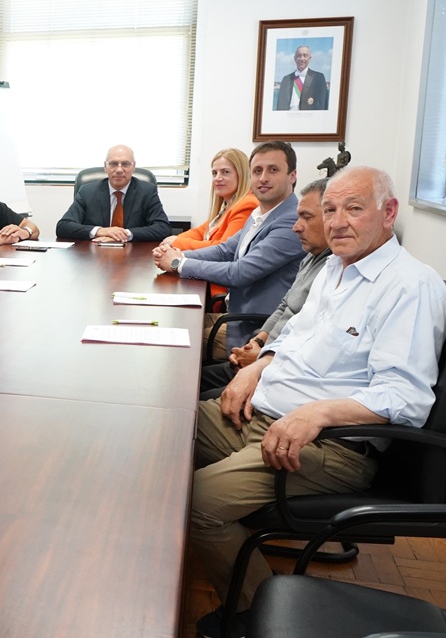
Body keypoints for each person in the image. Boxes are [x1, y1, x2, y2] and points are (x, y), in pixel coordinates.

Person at [189, 166, 446, 638]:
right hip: (261, 414)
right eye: (330, 210)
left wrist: (316, 413)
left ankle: (253, 616)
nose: (337, 221)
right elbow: (293, 337)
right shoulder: (334, 267)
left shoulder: (410, 285)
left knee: (198, 501)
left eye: (354, 208)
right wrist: (255, 369)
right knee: (164, 433)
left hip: (327, 444)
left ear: (389, 212)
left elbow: (405, 397)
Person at [153, 141, 306, 351]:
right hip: (235, 316)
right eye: (257, 171)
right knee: (168, 323)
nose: (263, 178)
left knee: (173, 344)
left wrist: (178, 263)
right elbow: (224, 250)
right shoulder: (261, 214)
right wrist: (176, 255)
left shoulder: (291, 221)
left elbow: (239, 273)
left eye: (273, 170)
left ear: (292, 176)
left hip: (255, 331)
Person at [199, 178, 332, 399]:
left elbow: (239, 273)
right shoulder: (312, 255)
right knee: (186, 383)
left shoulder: (334, 269)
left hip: (278, 370)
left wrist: (264, 355)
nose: (296, 227)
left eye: (307, 217)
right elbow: (285, 305)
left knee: (189, 390)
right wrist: (259, 341)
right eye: (257, 171)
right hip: (264, 348)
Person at [160, 148, 257, 297]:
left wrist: (177, 243)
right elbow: (202, 231)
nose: (218, 178)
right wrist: (171, 243)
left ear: (242, 174)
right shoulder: (229, 203)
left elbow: (222, 249)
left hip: (217, 285)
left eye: (225, 172)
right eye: (214, 173)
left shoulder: (247, 204)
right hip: (203, 277)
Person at [57, 145, 172, 243]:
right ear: (105, 167)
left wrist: (124, 234)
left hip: (133, 255)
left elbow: (163, 228)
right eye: (113, 164)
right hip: (95, 254)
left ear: (133, 167)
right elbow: (63, 226)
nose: (119, 170)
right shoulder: (87, 192)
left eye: (125, 164)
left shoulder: (147, 191)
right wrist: (100, 231)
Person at [275, 45, 329, 111]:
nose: (302, 59)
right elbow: (280, 104)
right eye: (299, 56)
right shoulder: (286, 79)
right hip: (288, 116)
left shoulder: (318, 77)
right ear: (295, 58)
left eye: (305, 55)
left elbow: (323, 104)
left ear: (309, 58)